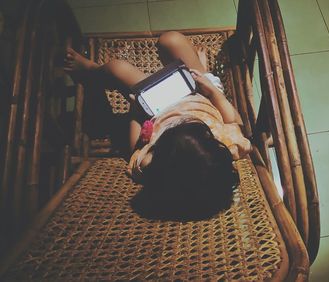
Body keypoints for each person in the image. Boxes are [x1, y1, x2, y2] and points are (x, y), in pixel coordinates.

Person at [64, 31, 251, 220]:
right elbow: (235, 120)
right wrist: (211, 91)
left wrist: (136, 109)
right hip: (201, 93)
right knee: (171, 40)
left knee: (117, 68)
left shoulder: (148, 166)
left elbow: (134, 146)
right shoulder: (223, 150)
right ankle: (202, 69)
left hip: (158, 104)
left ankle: (90, 71)